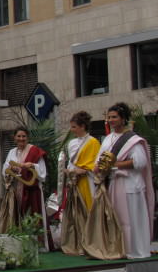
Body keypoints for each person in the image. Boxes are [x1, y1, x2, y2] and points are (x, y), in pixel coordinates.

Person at [93, 102, 154, 259]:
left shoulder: (133, 140)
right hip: (113, 183)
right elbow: (99, 159)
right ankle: (120, 249)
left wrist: (114, 164)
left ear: (123, 118)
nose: (111, 120)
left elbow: (140, 162)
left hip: (130, 184)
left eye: (114, 117)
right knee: (117, 219)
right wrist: (99, 167)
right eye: (109, 117)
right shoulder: (107, 139)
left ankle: (136, 250)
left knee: (133, 219)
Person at [0, 127, 50, 250]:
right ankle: (19, 245)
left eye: (24, 136)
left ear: (28, 138)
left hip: (31, 190)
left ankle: (37, 245)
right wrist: (12, 170)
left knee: (33, 216)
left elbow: (42, 173)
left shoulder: (35, 151)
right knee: (17, 216)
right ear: (14, 137)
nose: (21, 139)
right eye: (19, 136)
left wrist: (32, 165)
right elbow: (5, 168)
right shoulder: (12, 152)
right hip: (16, 189)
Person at [60, 111, 100, 256]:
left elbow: (95, 164)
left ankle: (91, 243)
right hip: (74, 182)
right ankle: (77, 243)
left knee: (89, 211)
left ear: (83, 126)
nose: (72, 130)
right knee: (75, 213)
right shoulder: (71, 143)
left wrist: (82, 170)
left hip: (87, 181)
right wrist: (68, 171)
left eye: (74, 127)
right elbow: (72, 163)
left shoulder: (93, 142)